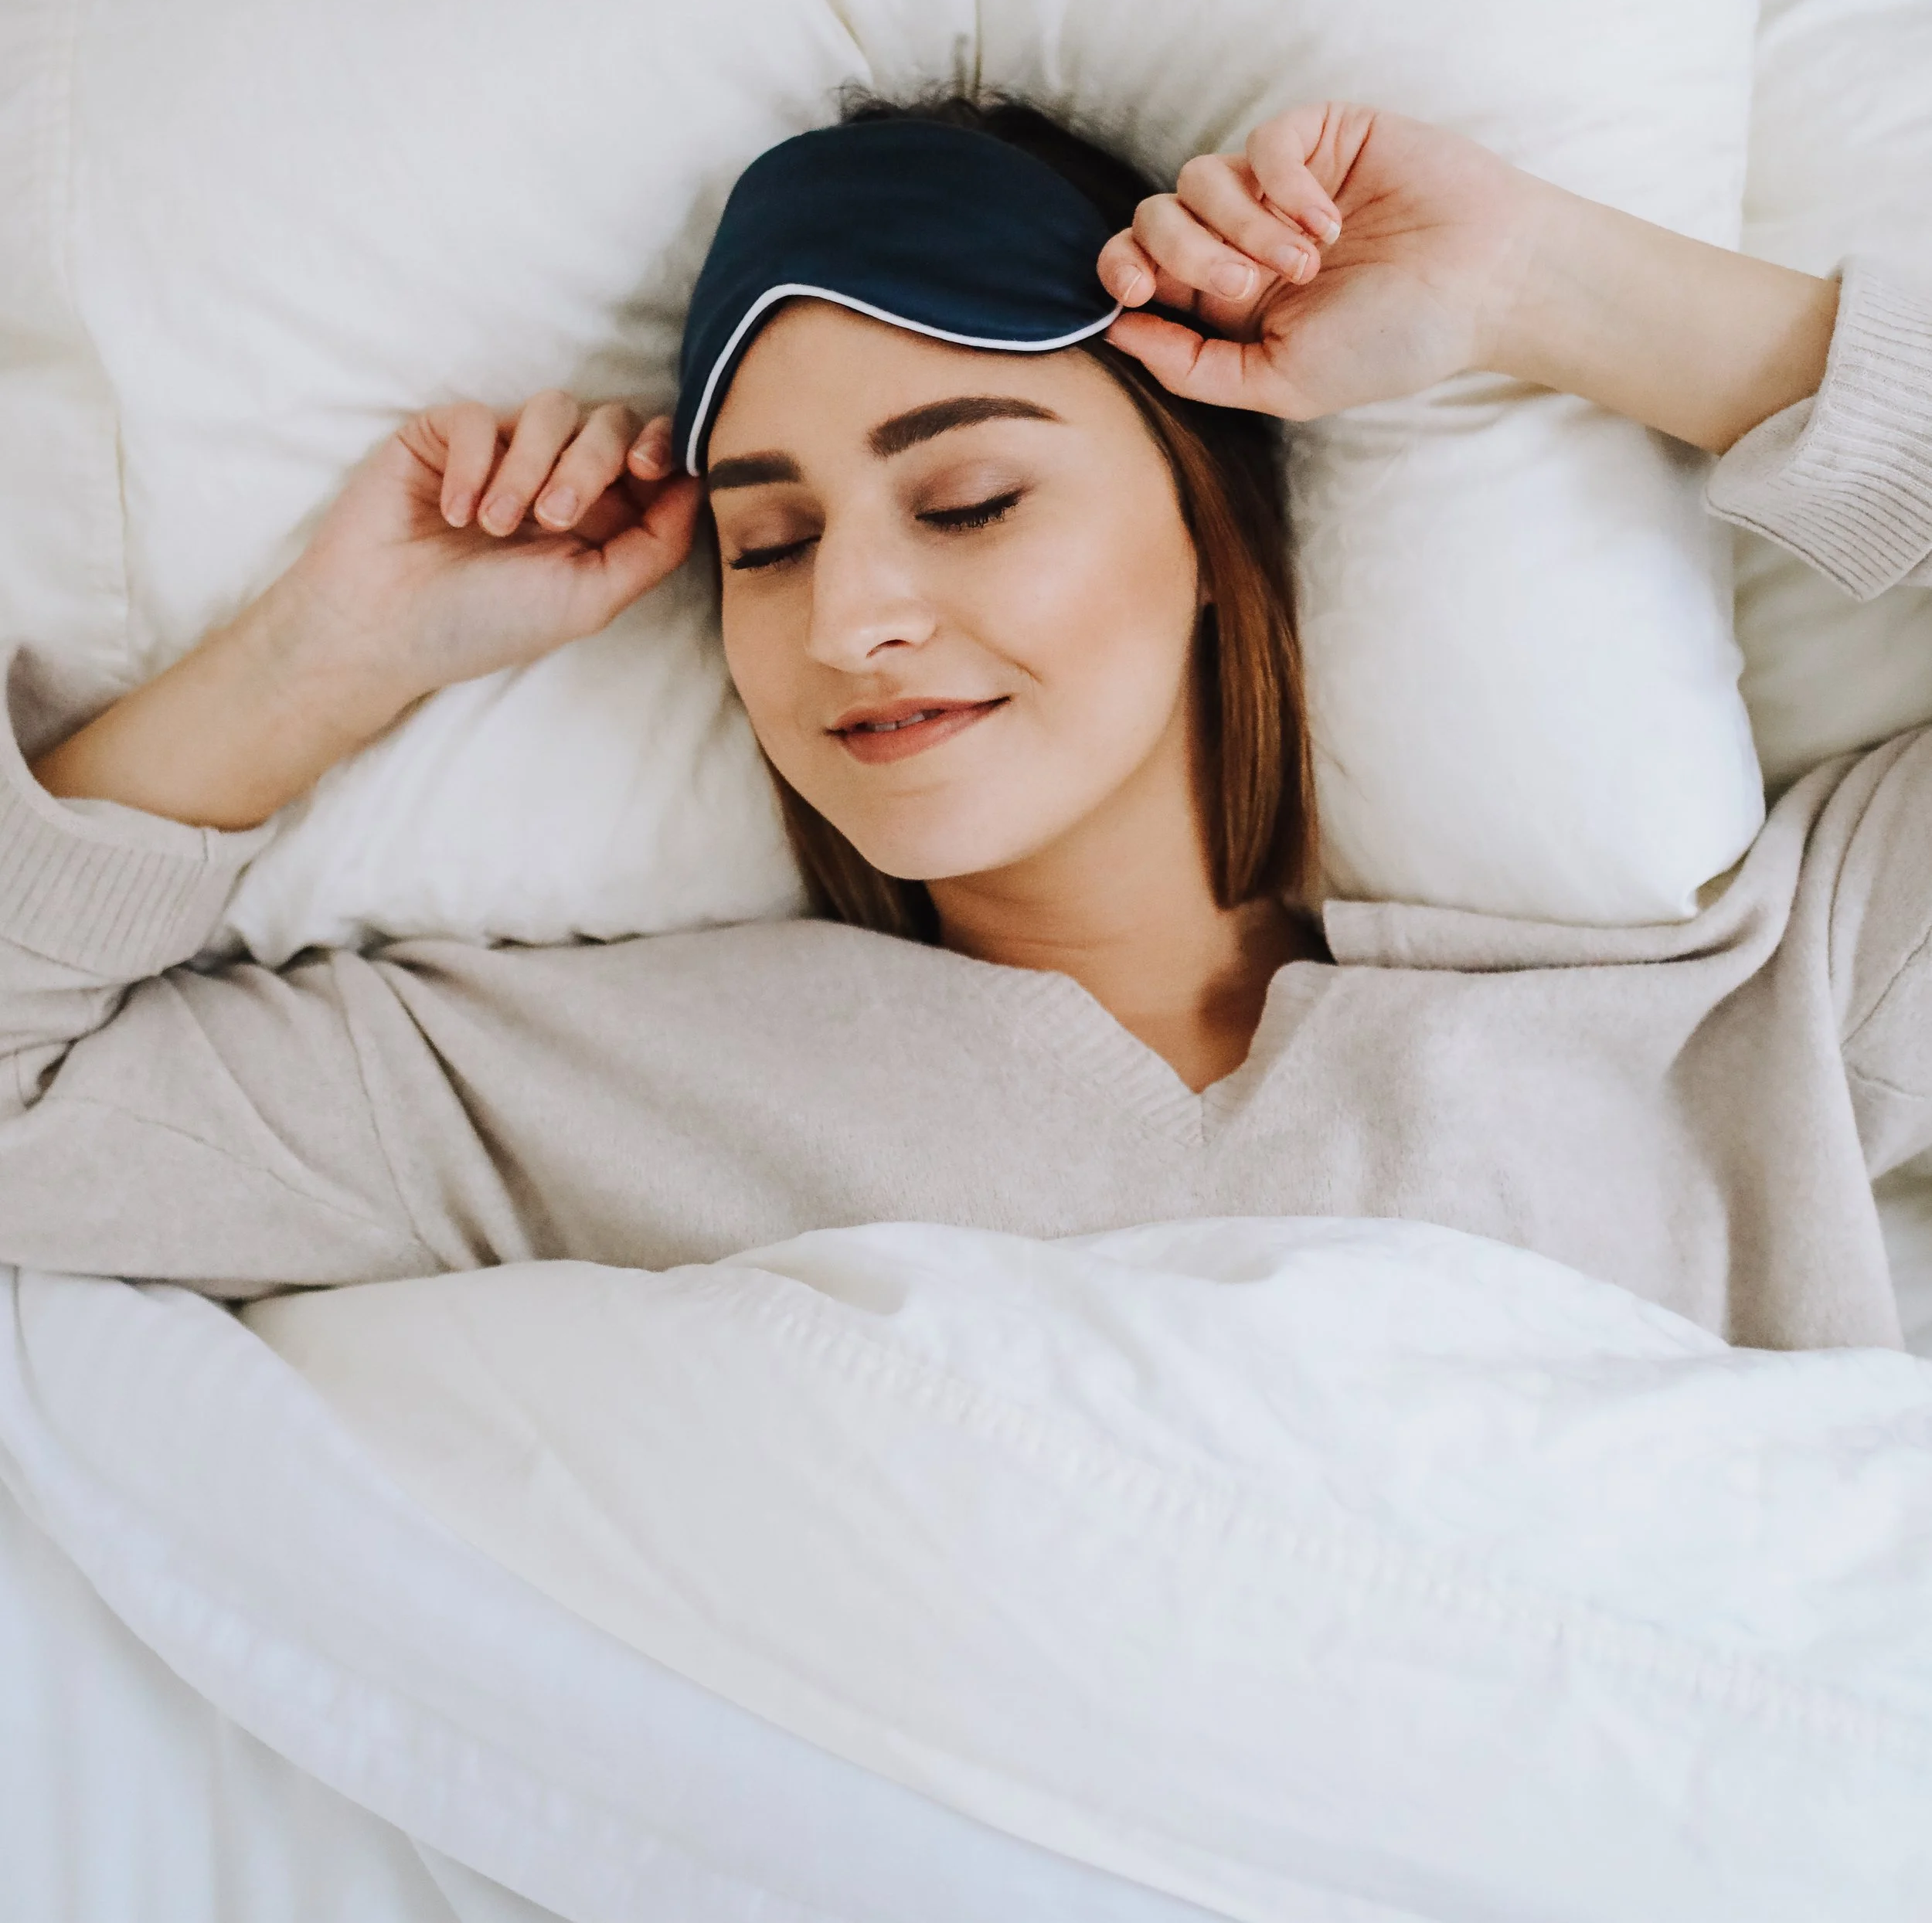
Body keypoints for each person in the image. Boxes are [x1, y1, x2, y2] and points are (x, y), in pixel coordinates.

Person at [2, 96, 1927, 1351]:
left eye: (968, 499)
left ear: (1206, 523)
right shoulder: (573, 1082)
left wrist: (1545, 286)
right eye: (763, 545)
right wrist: (326, 659)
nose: (846, 619)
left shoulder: (1737, 1028)